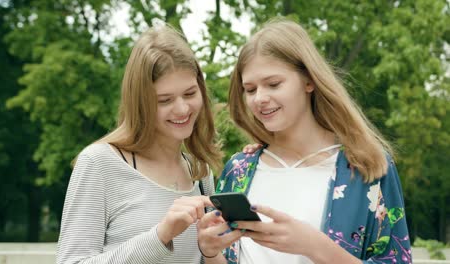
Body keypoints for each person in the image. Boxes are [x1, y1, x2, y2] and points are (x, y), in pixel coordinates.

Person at [197, 19, 412, 264]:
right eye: (250, 89)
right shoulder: (238, 170)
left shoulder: (368, 167)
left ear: (309, 80)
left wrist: (313, 246)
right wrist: (210, 252)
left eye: (273, 84)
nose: (260, 98)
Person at [57, 24, 230, 264]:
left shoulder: (200, 172)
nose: (182, 109)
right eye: (164, 100)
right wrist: (160, 236)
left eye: (190, 94)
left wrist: (210, 252)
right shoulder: (99, 163)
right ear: (140, 102)